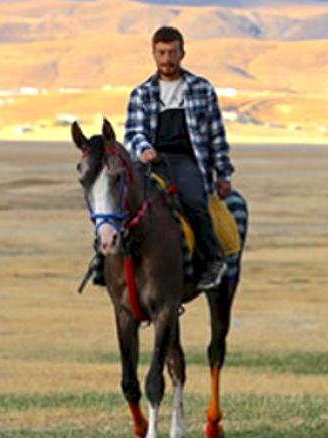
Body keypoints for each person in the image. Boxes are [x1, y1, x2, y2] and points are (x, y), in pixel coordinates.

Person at [90, 26, 232, 290]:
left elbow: (216, 136)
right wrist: (144, 149)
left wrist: (223, 175)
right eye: (161, 53)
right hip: (149, 161)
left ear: (182, 53)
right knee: (115, 198)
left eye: (172, 52)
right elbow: (133, 131)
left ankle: (212, 259)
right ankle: (102, 260)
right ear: (154, 54)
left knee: (193, 201)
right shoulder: (141, 93)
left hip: (187, 160)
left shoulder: (202, 89)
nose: (167, 59)